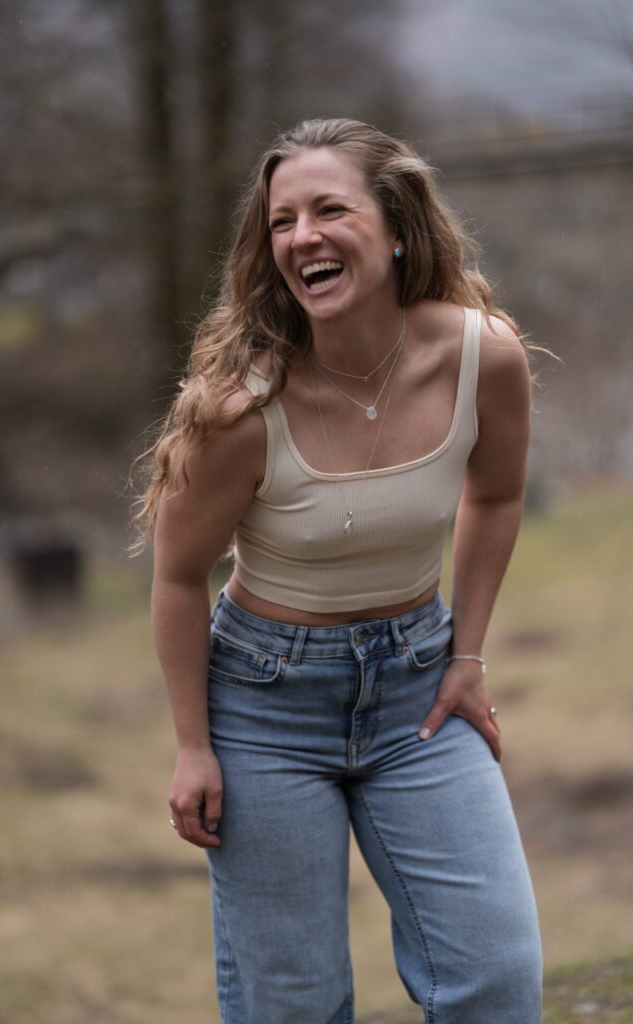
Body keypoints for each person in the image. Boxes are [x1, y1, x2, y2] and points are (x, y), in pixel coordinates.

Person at [133, 118, 543, 1024]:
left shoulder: (481, 355)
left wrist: (466, 656)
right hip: (263, 707)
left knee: (497, 974)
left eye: (328, 210)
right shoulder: (241, 410)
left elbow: (496, 495)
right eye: (281, 221)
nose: (301, 236)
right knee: (296, 1004)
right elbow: (178, 575)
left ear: (394, 227)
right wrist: (195, 745)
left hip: (418, 692)